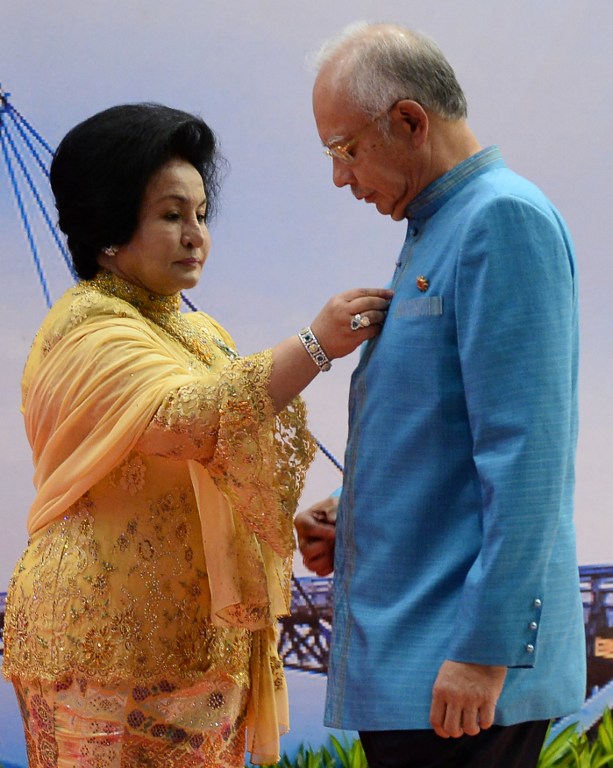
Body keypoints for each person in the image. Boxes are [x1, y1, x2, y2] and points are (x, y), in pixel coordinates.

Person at [1, 102, 392, 768]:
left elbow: (217, 461)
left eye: (202, 215)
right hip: (96, 649)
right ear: (108, 228)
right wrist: (315, 344)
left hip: (203, 650)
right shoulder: (86, 330)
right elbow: (188, 421)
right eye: (170, 215)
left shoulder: (198, 332)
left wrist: (291, 519)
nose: (194, 236)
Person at [295, 21, 585, 768]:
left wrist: (486, 650)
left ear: (408, 121)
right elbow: (445, 436)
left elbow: (529, 454)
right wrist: (353, 510)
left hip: (460, 675)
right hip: (420, 663)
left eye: (344, 149)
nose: (339, 178)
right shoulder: (437, 228)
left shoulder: (501, 219)